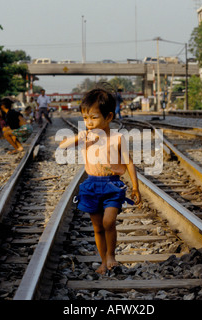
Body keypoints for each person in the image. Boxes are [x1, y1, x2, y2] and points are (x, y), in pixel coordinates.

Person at [59, 87, 142, 275]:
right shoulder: (86, 137)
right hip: (91, 185)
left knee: (108, 221)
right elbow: (62, 145)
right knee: (97, 228)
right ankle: (104, 262)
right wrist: (78, 137)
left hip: (113, 185)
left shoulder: (117, 138)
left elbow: (129, 163)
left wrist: (135, 188)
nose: (88, 122)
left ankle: (111, 255)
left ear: (109, 117)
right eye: (85, 118)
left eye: (93, 117)